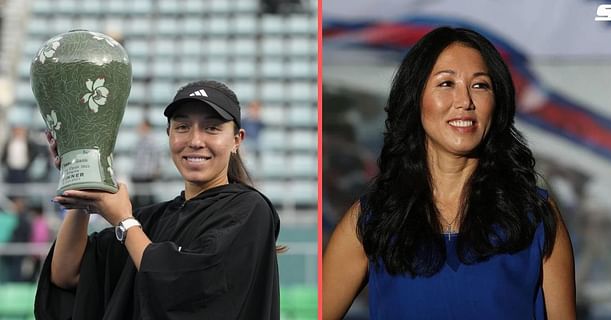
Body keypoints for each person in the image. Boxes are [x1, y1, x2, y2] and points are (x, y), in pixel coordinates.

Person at [323, 27, 576, 319]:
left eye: (480, 86)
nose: (465, 101)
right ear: (415, 98)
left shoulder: (536, 215)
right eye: (446, 84)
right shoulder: (372, 219)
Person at [36, 80, 281, 319]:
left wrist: (124, 220)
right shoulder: (150, 220)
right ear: (168, 135)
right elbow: (67, 275)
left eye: (212, 128)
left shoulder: (250, 210)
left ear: (237, 140)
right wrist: (83, 186)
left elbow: (186, 289)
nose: (195, 141)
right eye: (182, 127)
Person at [130, 118, 163, 208]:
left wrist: (157, 169)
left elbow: (158, 156)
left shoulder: (153, 141)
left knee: (149, 197)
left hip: (148, 174)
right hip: (138, 173)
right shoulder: (139, 141)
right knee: (137, 197)